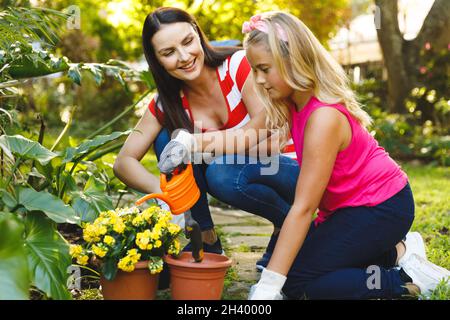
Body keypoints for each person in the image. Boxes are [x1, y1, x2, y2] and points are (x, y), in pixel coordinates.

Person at [230, 11, 450, 299]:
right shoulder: (291, 102)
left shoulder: (323, 117)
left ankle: (405, 280)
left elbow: (304, 208)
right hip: (350, 208)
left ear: (292, 61)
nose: (257, 80)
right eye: (254, 70)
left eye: (263, 69)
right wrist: (194, 144)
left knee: (296, 282)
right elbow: (246, 135)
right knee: (296, 268)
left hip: (383, 206)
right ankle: (399, 252)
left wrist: (269, 287)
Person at [113, 7, 299, 271]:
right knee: (169, 137)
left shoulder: (239, 66)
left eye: (188, 42)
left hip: (290, 168)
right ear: (157, 60)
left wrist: (197, 145)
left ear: (198, 35)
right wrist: (168, 194)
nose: (184, 57)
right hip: (240, 166)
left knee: (221, 172)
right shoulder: (168, 103)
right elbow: (123, 162)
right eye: (168, 53)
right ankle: (206, 237)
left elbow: (265, 129)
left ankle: (290, 224)